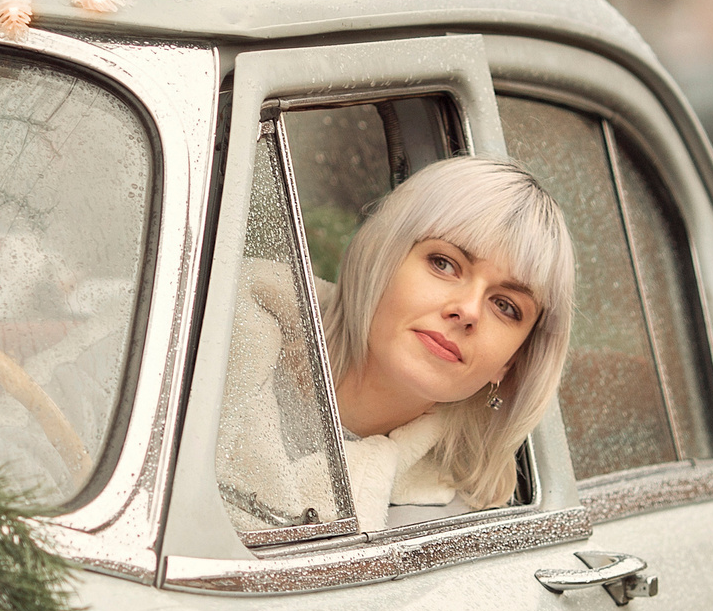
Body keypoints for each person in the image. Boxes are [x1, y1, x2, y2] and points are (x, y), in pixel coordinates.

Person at [219, 156, 574, 535]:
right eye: (444, 263)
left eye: (505, 306)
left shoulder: (461, 522)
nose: (468, 310)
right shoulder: (215, 320)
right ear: (381, 258)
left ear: (512, 362)